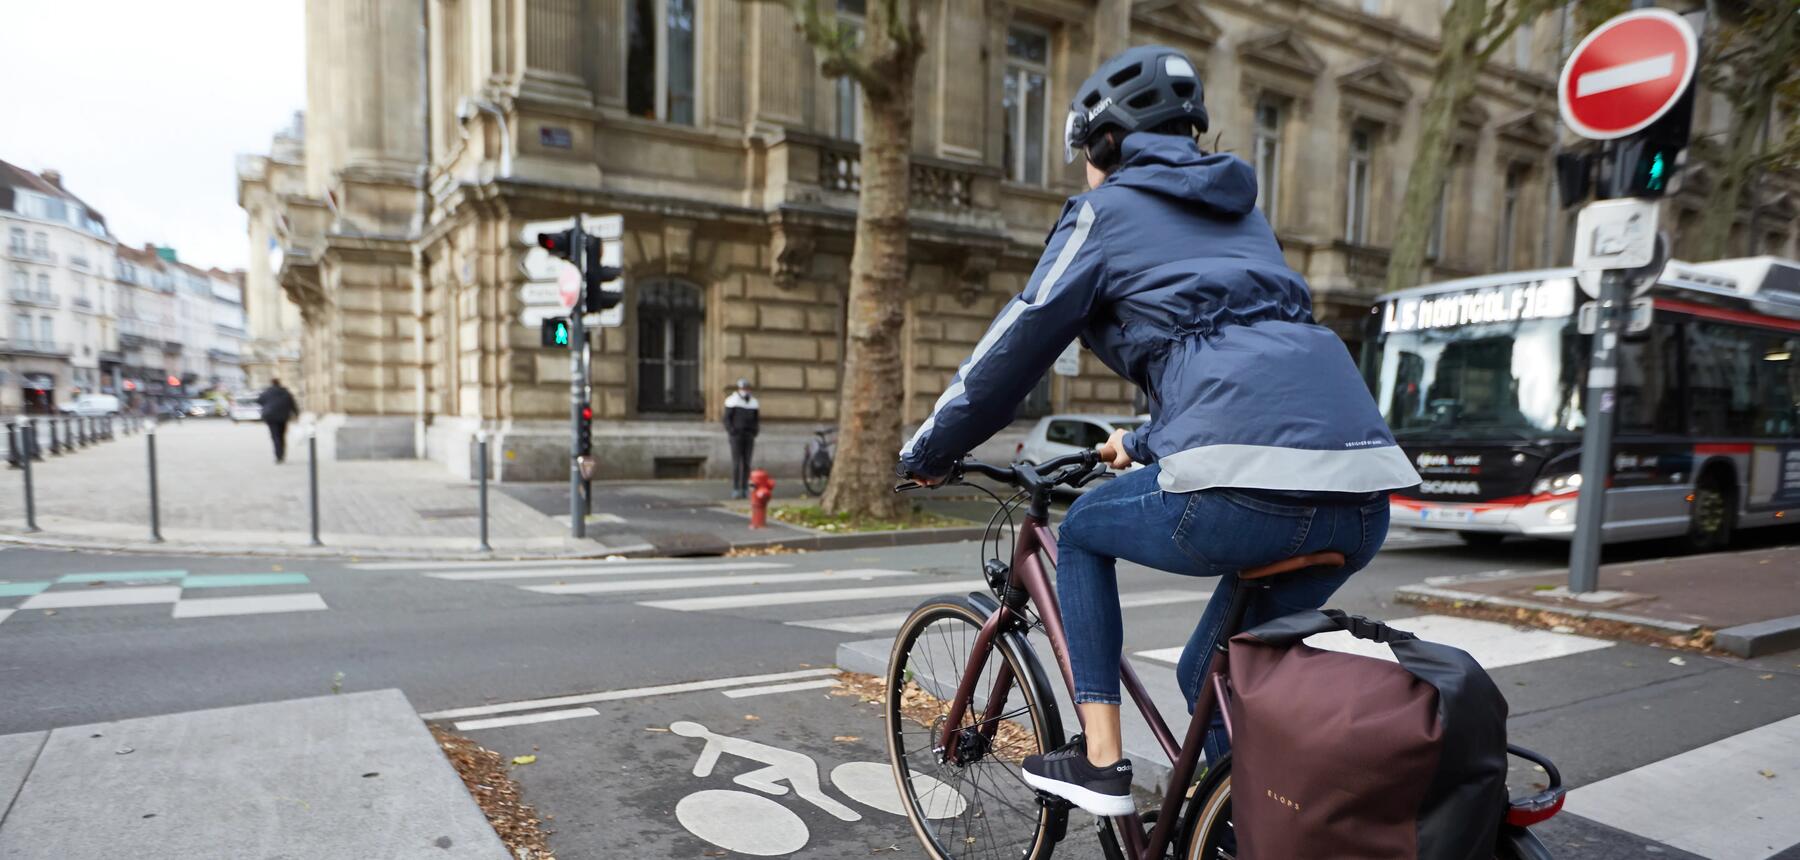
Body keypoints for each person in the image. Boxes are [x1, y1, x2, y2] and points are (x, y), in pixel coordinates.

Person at [895, 45, 1421, 817]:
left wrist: (928, 450)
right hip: (1361, 494)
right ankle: (1245, 825)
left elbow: (1018, 341)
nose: (1082, 169)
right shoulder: (1242, 214)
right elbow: (1236, 354)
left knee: (1081, 535)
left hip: (1246, 496)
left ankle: (1101, 761)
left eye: (1083, 153)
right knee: (1209, 671)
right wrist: (1137, 443)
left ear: (1104, 144)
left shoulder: (1104, 212)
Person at [723, 378, 760, 499]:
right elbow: (727, 419)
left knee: (747, 463)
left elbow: (756, 419)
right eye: (743, 388)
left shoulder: (753, 402)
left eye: (746, 388)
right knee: (736, 463)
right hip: (736, 435)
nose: (745, 391)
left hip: (748, 435)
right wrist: (732, 431)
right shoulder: (732, 401)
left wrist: (754, 431)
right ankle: (736, 488)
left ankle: (745, 488)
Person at [257, 378, 298, 463]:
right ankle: (281, 454)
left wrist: (267, 405)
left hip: (271, 417)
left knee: (275, 436)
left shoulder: (267, 392)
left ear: (271, 383)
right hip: (283, 417)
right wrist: (296, 414)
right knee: (281, 436)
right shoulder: (285, 392)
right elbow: (292, 404)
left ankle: (278, 455)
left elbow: (259, 401)